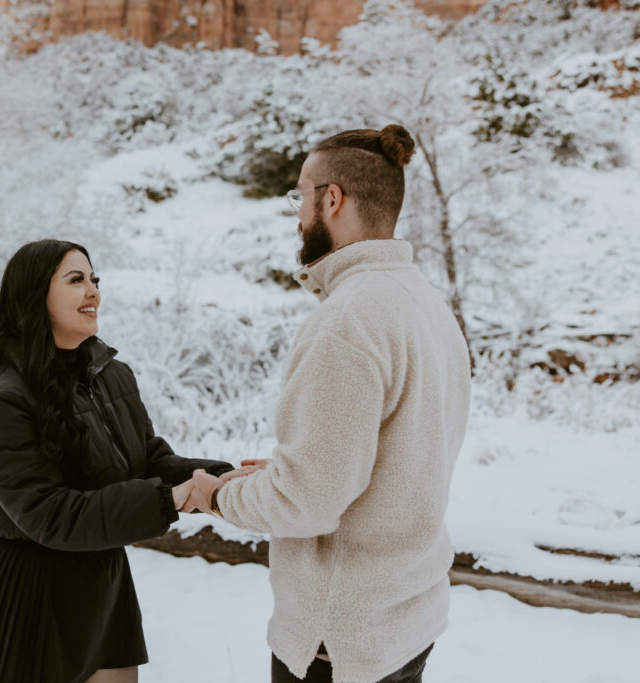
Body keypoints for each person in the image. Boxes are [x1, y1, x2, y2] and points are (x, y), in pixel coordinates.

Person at [186, 126, 472, 683]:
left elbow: (308, 503)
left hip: (339, 645)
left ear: (332, 198)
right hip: (405, 623)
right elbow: (398, 455)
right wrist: (300, 468)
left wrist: (218, 496)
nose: (295, 213)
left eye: (300, 195)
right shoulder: (425, 303)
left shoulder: (348, 320)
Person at [0, 239, 233, 683]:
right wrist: (171, 499)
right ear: (36, 296)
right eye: (76, 280)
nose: (93, 291)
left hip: (101, 572)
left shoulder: (111, 375)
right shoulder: (1, 400)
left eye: (95, 279)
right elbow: (48, 514)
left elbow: (147, 459)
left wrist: (224, 479)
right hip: (27, 590)